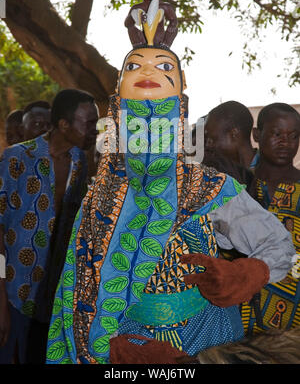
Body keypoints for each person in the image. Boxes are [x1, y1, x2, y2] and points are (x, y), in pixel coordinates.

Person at [45, 47, 296, 365]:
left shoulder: (207, 188)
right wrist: (105, 347)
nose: (147, 72)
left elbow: (278, 244)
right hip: (128, 342)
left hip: (209, 339)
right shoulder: (101, 199)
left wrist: (248, 273)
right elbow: (77, 292)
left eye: (162, 68)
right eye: (135, 67)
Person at [0, 88, 99, 364]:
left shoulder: (80, 162)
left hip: (54, 299)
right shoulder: (16, 159)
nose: (95, 129)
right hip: (12, 295)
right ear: (64, 125)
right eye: (88, 123)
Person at [240, 103, 300, 334]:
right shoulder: (239, 186)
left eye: (293, 136)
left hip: (293, 320)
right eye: (277, 134)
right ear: (257, 135)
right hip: (241, 310)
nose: (285, 142)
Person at [204, 101, 258, 170]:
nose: (207, 145)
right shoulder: (219, 172)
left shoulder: (270, 171)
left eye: (212, 139)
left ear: (234, 134)